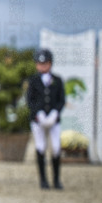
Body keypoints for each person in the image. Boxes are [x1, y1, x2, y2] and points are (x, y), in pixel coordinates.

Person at [26, 48, 66, 190]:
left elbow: (61, 99)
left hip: (53, 119)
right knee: (40, 147)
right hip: (38, 120)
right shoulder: (33, 80)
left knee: (55, 148)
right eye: (40, 63)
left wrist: (55, 112)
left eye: (45, 63)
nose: (43, 66)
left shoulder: (58, 80)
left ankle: (56, 179)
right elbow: (30, 100)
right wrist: (38, 113)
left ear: (50, 64)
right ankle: (43, 180)